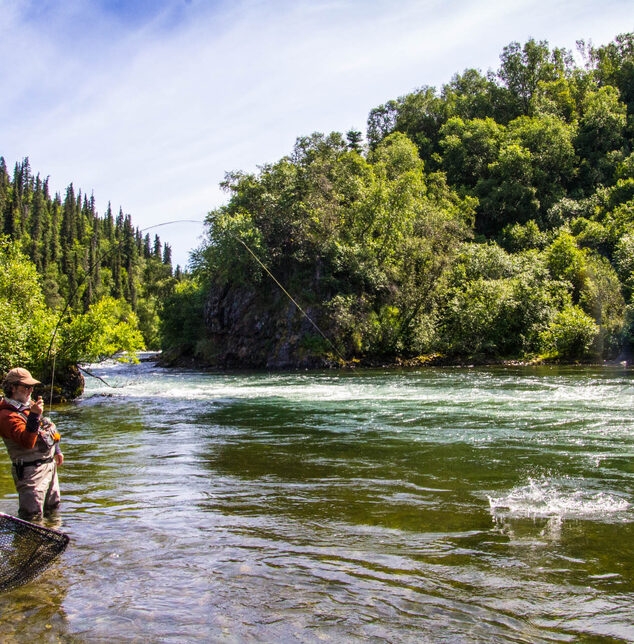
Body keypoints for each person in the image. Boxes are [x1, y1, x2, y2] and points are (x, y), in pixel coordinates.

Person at [0, 368, 63, 520]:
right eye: (26, 387)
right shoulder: (6, 416)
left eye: (32, 387)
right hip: (30, 472)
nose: (31, 390)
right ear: (13, 388)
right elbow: (27, 442)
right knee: (32, 517)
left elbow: (46, 428)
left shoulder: (28, 405)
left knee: (53, 511)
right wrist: (34, 415)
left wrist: (57, 450)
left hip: (49, 467)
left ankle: (55, 534)